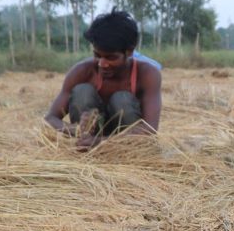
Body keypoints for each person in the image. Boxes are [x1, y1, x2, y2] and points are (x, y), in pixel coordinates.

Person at [44, 10, 163, 151]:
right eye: (97, 55)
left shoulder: (147, 74)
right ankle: (85, 147)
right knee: (83, 92)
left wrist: (102, 142)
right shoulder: (81, 71)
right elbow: (50, 118)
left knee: (122, 100)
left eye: (111, 58)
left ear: (129, 52)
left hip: (127, 148)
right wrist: (75, 129)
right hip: (88, 145)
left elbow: (149, 128)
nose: (102, 63)